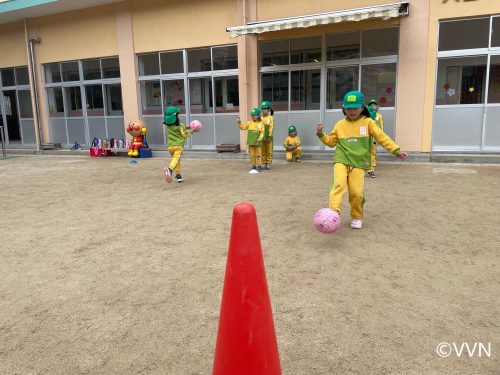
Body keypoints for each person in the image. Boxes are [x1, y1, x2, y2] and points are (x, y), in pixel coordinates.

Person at [316, 91, 408, 229]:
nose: (352, 111)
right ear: (344, 108)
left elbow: (382, 137)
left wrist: (396, 150)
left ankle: (356, 216)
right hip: (341, 160)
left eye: (355, 107)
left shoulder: (369, 123)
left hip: (359, 162)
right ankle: (333, 213)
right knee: (338, 185)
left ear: (362, 107)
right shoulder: (339, 125)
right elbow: (331, 142)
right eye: (348, 108)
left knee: (356, 193)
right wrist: (321, 134)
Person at [163, 106, 193, 184]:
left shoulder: (168, 126)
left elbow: (182, 129)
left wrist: (188, 127)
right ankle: (169, 170)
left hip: (170, 147)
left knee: (177, 160)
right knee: (176, 159)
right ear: (176, 116)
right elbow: (184, 134)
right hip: (178, 146)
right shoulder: (179, 125)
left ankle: (178, 175)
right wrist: (192, 131)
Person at [237, 108, 264, 174]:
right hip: (251, 142)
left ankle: (259, 166)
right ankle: (254, 165)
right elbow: (242, 127)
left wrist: (259, 139)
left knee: (258, 154)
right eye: (252, 115)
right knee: (252, 154)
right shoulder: (249, 123)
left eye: (254, 115)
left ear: (258, 115)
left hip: (258, 142)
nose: (252, 117)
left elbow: (262, 133)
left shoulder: (261, 124)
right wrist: (239, 122)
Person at [366, 99, 385, 178]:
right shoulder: (366, 115)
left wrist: (380, 136)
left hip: (374, 137)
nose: (373, 106)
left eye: (374, 105)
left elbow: (381, 126)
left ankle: (371, 169)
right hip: (366, 137)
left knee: (373, 152)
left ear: (377, 106)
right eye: (371, 105)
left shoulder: (379, 116)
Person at [261, 101, 274, 170]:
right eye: (262, 109)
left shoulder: (270, 117)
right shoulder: (260, 118)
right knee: (263, 150)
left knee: (269, 150)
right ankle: (264, 163)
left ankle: (268, 163)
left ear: (269, 109)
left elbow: (271, 127)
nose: (263, 110)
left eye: (265, 109)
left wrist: (269, 135)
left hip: (269, 137)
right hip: (262, 137)